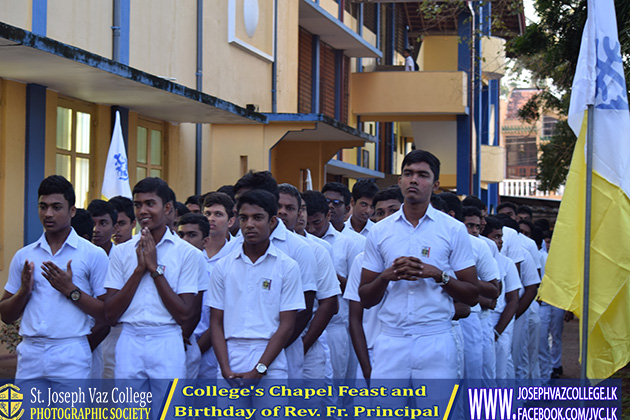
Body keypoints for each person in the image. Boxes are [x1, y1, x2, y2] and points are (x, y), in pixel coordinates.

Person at [360, 150, 478, 380]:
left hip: (435, 338)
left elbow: (472, 295)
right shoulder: (380, 231)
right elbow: (365, 298)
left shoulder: (453, 229)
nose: (414, 180)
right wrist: (386, 276)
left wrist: (437, 274)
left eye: (422, 175)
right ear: (400, 181)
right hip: (391, 340)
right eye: (408, 173)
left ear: (435, 185)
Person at [0, 175, 109, 379]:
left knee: (69, 413)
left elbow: (107, 314)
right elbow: (6, 315)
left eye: (56, 207)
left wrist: (71, 291)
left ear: (72, 211)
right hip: (31, 351)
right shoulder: (25, 256)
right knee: (29, 412)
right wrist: (23, 292)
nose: (48, 214)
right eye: (43, 206)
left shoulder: (92, 254)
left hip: (71, 349)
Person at [104, 177, 202, 383]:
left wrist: (155, 270)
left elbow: (184, 313)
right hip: (129, 338)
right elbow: (111, 313)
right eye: (138, 205)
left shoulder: (187, 253)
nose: (143, 211)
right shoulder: (122, 252)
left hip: (167, 339)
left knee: (168, 410)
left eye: (150, 204)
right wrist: (139, 270)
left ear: (167, 208)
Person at [208, 189, 305, 385]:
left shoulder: (287, 266)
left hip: (271, 360)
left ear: (272, 222)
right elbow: (216, 323)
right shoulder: (223, 266)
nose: (250, 224)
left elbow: (287, 325)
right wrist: (225, 369)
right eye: (244, 218)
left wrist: (260, 368)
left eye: (258, 218)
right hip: (230, 355)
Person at [345, 186, 404, 381]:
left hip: (411, 350)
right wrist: (366, 368)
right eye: (380, 213)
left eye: (393, 211)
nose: (386, 217)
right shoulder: (362, 261)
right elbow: (355, 318)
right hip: (372, 352)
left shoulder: (420, 255)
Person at [196, 192, 238, 379]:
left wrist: (200, 347)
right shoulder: (192, 251)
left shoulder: (238, 253)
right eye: (207, 214)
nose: (211, 219)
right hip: (187, 340)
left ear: (231, 221)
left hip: (221, 344)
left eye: (218, 214)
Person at [176, 212, 213, 379]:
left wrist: (197, 349)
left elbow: (218, 321)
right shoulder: (168, 271)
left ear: (205, 241)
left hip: (205, 349)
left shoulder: (215, 275)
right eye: (181, 234)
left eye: (192, 235)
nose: (185, 240)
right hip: (173, 346)